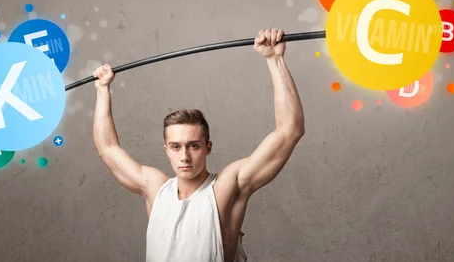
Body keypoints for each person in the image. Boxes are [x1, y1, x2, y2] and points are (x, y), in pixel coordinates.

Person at [92, 29, 305, 262]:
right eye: (175, 147)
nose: (184, 156)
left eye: (193, 146)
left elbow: (288, 131)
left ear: (208, 147)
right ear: (166, 149)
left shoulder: (226, 187)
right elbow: (108, 148)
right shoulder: (155, 189)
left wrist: (275, 60)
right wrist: (102, 90)